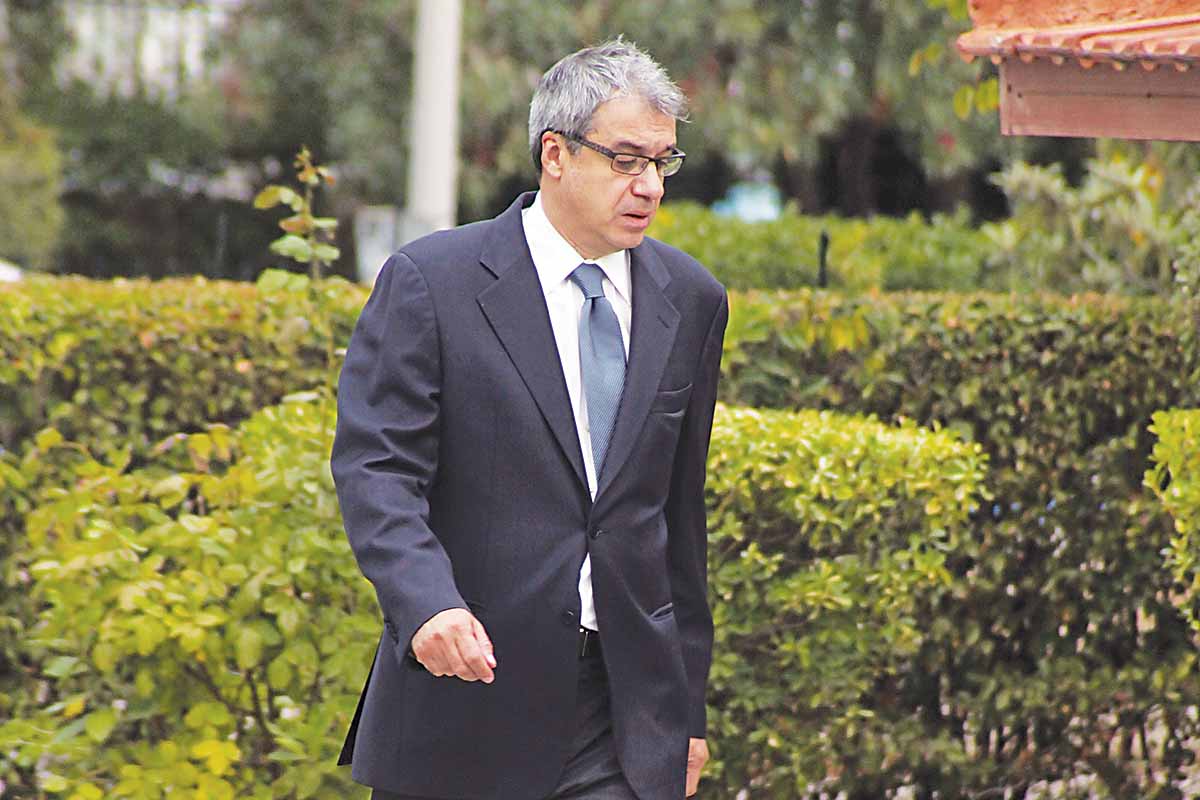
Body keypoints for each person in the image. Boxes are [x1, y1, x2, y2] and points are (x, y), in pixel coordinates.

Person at [331, 38, 728, 800]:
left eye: (662, 162)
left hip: (623, 716)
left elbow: (677, 519)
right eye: (626, 160)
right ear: (555, 154)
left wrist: (688, 713)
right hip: (469, 698)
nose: (649, 185)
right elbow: (377, 468)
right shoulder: (432, 283)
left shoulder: (692, 299)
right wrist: (425, 602)